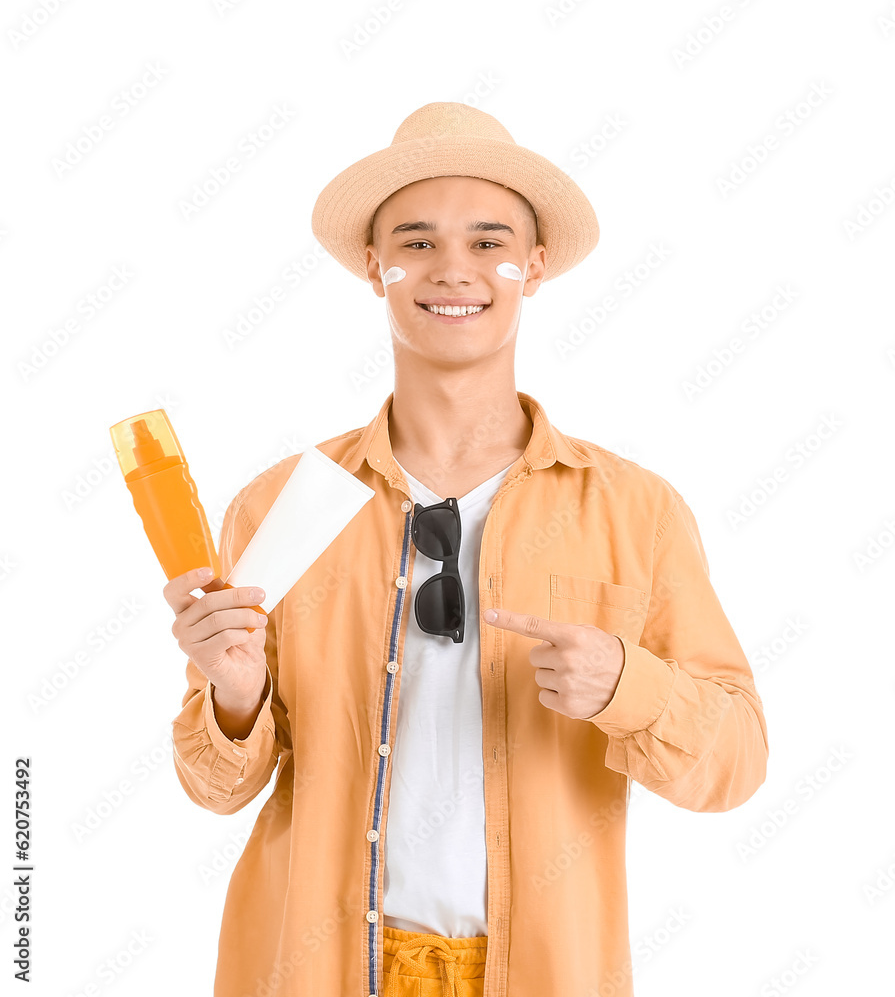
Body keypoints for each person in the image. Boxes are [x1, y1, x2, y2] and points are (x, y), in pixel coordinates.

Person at [165, 102, 769, 997]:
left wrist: (628, 686)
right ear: (375, 268)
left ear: (535, 266)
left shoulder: (633, 509)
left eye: (489, 242)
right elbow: (215, 790)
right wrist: (237, 695)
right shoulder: (282, 505)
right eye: (416, 241)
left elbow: (736, 765)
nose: (454, 269)